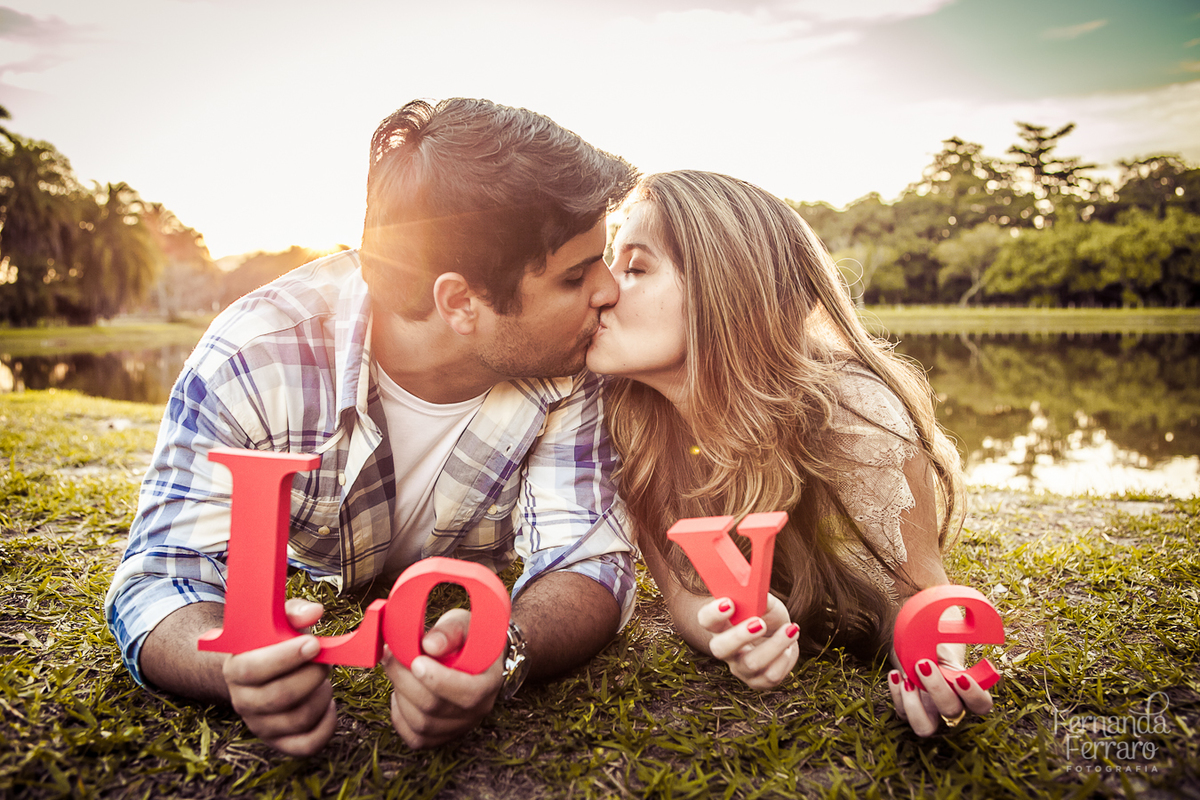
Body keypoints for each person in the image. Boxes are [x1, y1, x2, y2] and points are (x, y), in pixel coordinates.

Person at [105, 98, 640, 756]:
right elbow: (159, 574)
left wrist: (503, 650)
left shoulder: (569, 359)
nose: (610, 289)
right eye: (576, 275)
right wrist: (233, 670)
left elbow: (587, 559)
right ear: (459, 301)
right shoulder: (253, 359)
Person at [586, 170, 995, 737]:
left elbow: (918, 591)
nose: (601, 289)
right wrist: (735, 630)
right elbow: (683, 599)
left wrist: (936, 666)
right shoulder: (626, 421)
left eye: (634, 267)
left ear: (726, 289)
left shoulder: (859, 415)